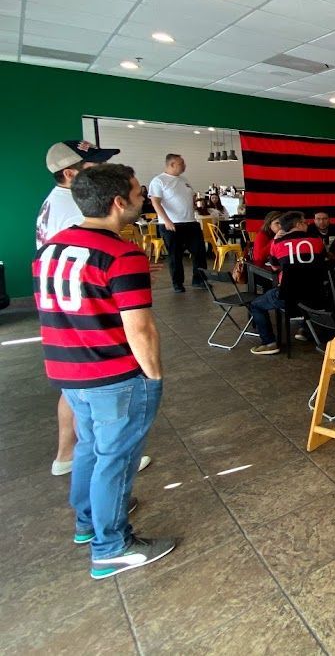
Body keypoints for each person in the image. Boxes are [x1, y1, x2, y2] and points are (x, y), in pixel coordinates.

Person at [33, 163, 175, 579]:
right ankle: (112, 547)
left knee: (90, 447)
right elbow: (140, 329)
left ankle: (86, 521)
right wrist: (153, 376)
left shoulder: (50, 248)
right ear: (118, 202)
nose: (142, 198)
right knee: (117, 458)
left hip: (68, 370)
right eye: (138, 192)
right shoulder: (122, 254)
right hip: (113, 375)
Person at [35, 139, 131, 478]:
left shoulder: (56, 201)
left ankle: (68, 455)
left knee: (76, 388)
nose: (102, 171)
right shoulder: (75, 210)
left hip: (65, 305)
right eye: (95, 166)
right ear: (70, 173)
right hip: (83, 307)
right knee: (101, 390)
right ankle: (106, 456)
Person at [248, 211, 326, 355]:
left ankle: (269, 343)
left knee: (255, 305)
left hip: (288, 297)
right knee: (305, 289)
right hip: (316, 296)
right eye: (305, 222)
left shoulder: (278, 243)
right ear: (298, 224)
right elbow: (323, 261)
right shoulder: (317, 240)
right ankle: (305, 329)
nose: (307, 224)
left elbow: (275, 267)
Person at [148, 154, 207, 294]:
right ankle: (178, 283)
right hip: (172, 224)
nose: (184, 166)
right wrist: (167, 220)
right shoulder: (159, 181)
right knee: (175, 255)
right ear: (172, 164)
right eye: (182, 163)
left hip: (190, 222)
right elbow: (155, 202)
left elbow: (188, 198)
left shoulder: (184, 180)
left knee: (199, 252)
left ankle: (199, 280)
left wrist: (196, 205)